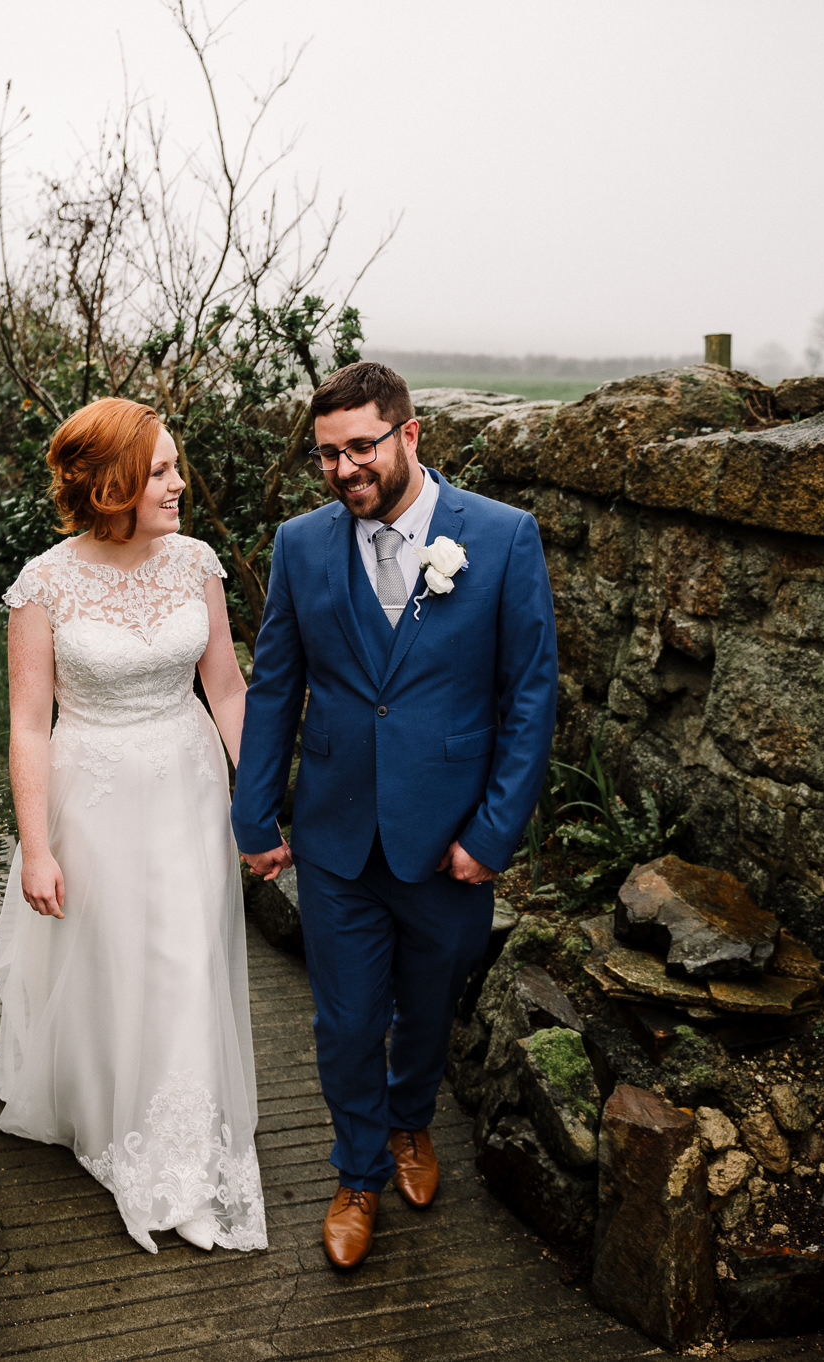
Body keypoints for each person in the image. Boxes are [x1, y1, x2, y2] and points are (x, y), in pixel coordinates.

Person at [231, 361, 557, 1270]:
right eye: (327, 454)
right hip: (335, 835)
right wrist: (256, 814)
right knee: (343, 1021)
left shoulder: (498, 538)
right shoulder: (300, 546)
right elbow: (275, 687)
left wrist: (492, 836)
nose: (343, 471)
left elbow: (528, 698)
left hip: (451, 840)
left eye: (360, 448)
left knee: (426, 1007)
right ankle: (359, 1171)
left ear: (410, 436)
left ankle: (413, 1122)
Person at [0, 397, 268, 1254]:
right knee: (116, 966)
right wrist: (37, 848)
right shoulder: (44, 584)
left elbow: (225, 687)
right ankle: (103, 1106)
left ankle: (179, 1161)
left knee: (184, 960)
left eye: (175, 466)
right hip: (97, 798)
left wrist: (255, 801)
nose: (180, 483)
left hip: (189, 791)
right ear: (110, 484)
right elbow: (28, 724)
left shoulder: (197, 565)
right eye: (161, 471)